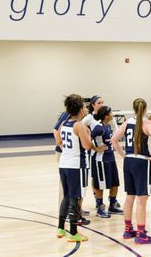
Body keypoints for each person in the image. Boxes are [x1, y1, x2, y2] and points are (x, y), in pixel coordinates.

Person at [111, 98, 151, 245]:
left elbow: (114, 139)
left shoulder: (127, 122)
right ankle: (141, 234)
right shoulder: (148, 123)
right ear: (146, 109)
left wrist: (123, 155)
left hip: (128, 161)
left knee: (129, 197)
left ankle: (128, 230)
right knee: (142, 201)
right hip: (142, 162)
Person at [57, 94, 92, 243]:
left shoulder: (63, 123)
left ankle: (60, 228)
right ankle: (73, 232)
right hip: (76, 165)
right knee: (75, 197)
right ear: (80, 109)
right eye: (84, 106)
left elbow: (58, 141)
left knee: (66, 195)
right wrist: (88, 134)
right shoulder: (79, 125)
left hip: (64, 163)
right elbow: (86, 145)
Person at [90, 106, 122, 218]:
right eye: (111, 112)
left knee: (115, 183)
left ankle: (112, 205)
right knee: (101, 185)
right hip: (101, 160)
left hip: (111, 158)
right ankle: (100, 207)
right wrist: (96, 148)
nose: (113, 114)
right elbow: (86, 140)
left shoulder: (108, 126)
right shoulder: (99, 127)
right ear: (106, 115)